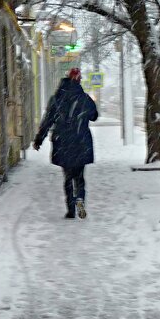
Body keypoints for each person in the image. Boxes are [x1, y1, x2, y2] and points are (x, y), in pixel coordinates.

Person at [33, 67, 99, 219]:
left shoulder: (57, 98)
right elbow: (94, 116)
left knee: (68, 177)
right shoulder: (84, 98)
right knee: (80, 176)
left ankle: (70, 210)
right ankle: (80, 198)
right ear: (79, 81)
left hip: (63, 142)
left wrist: (39, 139)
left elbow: (47, 121)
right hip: (81, 141)